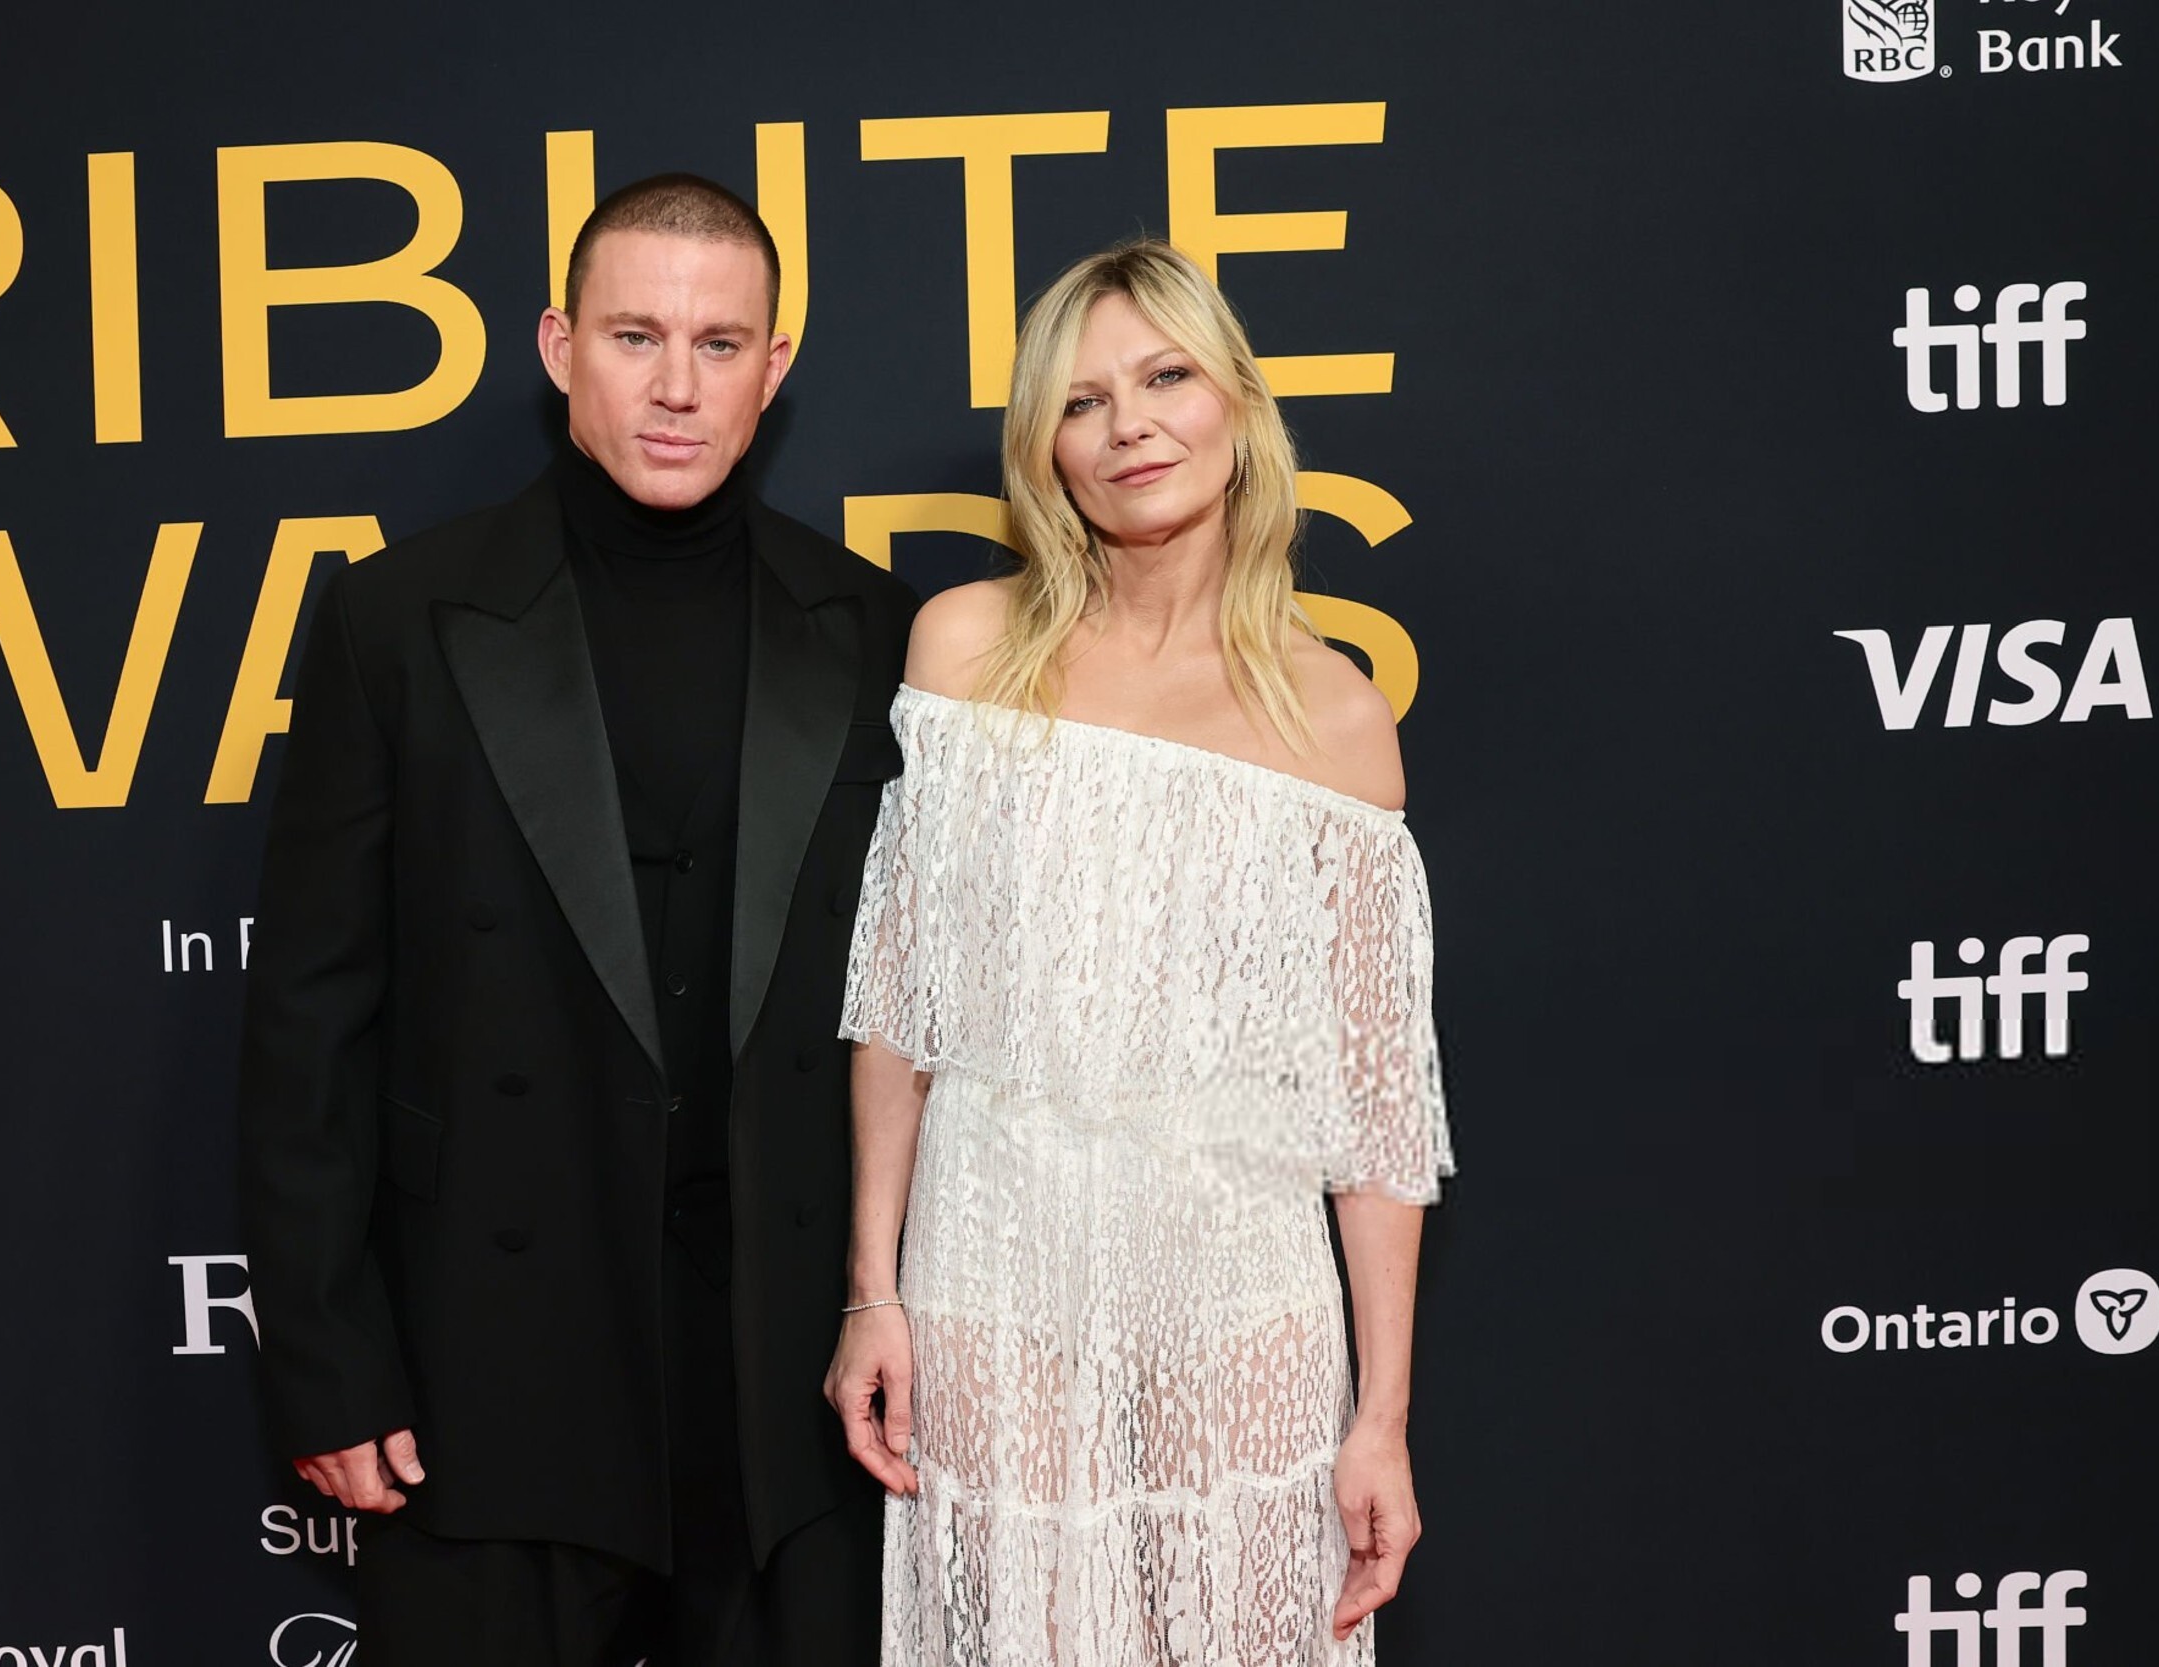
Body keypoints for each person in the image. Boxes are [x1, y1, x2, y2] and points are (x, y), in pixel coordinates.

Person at [239, 173, 915, 1666]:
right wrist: (330, 1361)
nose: (678, 387)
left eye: (720, 345)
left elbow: (921, 1013)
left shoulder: (873, 630)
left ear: (774, 369)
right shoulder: (397, 620)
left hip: (785, 1384)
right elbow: (309, 1024)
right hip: (489, 1372)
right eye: (634, 336)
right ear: (558, 347)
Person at [823, 239, 1455, 1666]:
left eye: (1166, 377)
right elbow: (901, 1007)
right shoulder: (964, 651)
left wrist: (1382, 1418)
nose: (1130, 426)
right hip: (993, 1283)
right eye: (1082, 399)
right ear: (1045, 449)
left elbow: (1375, 1118)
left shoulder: (1336, 719)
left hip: (1241, 1306)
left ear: (1237, 406)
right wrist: (874, 1289)